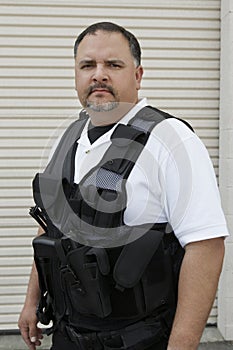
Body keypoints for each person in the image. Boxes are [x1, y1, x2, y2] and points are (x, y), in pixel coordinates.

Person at [18, 22, 228, 350]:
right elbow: (50, 230)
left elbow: (206, 246)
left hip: (139, 339)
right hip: (68, 334)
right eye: (88, 65)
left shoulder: (171, 140)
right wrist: (32, 300)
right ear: (76, 74)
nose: (99, 75)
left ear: (138, 75)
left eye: (113, 65)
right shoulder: (69, 138)